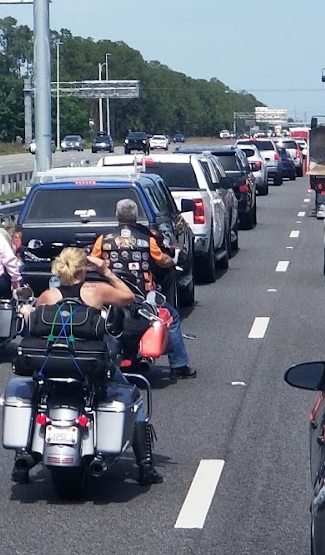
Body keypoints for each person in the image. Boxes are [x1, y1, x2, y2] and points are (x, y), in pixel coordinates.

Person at [11, 246, 163, 486]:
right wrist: (105, 270)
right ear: (83, 270)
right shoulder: (95, 291)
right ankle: (145, 467)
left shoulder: (48, 296)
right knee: (135, 402)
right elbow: (129, 297)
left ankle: (21, 462)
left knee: (36, 397)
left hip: (51, 366)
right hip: (90, 365)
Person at [90, 199, 196, 380]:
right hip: (142, 294)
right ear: (136, 216)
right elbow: (162, 260)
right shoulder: (147, 238)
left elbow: (93, 260)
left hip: (112, 294)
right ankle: (179, 365)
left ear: (117, 215)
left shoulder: (104, 239)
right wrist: (173, 261)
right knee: (172, 317)